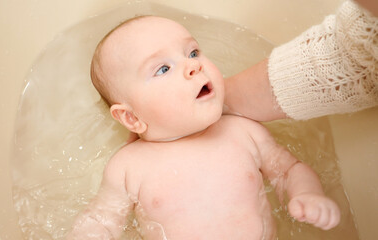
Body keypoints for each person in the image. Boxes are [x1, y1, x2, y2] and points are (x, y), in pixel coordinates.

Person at [67, 16, 340, 240]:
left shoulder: (244, 132)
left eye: (193, 52)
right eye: (163, 69)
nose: (193, 65)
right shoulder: (128, 165)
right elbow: (101, 220)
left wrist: (307, 194)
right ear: (130, 118)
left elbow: (289, 170)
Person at [224, 0, 378, 122]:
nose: (198, 67)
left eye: (197, 53)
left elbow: (282, 161)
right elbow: (359, 49)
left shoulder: (242, 130)